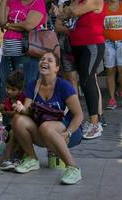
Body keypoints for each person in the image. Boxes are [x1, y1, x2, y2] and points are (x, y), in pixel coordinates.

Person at [11, 52, 83, 184]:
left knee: (46, 126)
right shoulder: (33, 85)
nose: (44, 61)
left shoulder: (64, 86)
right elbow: (27, 112)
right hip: (44, 132)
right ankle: (32, 159)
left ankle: (73, 168)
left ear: (57, 68)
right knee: (18, 119)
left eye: (49, 60)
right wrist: (21, 109)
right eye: (42, 59)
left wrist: (69, 132)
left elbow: (79, 115)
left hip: (69, 132)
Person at [64, 0, 105, 139]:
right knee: (85, 81)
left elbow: (72, 12)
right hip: (77, 46)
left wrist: (64, 11)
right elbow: (64, 15)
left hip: (92, 46)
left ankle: (95, 124)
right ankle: (92, 120)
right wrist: (64, 12)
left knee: (88, 81)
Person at [0, 0, 47, 101]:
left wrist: (8, 26)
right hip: (8, 53)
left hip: (27, 53)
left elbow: (28, 25)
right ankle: (8, 121)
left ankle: (26, 119)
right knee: (5, 87)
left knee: (25, 88)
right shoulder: (13, 1)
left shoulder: (38, 2)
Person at [54, 0, 83, 92]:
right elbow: (57, 25)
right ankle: (75, 106)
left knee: (87, 77)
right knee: (71, 78)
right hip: (67, 46)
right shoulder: (65, 5)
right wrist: (70, 31)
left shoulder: (86, 4)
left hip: (84, 46)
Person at [0, 70, 25, 171]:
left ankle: (17, 158)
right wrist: (2, 108)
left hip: (21, 125)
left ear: (20, 90)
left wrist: (7, 112)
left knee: (18, 135)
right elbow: (5, 108)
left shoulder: (22, 99)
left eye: (13, 89)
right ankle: (7, 159)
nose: (9, 91)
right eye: (7, 88)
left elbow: (18, 112)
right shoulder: (9, 99)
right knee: (11, 134)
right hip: (12, 125)